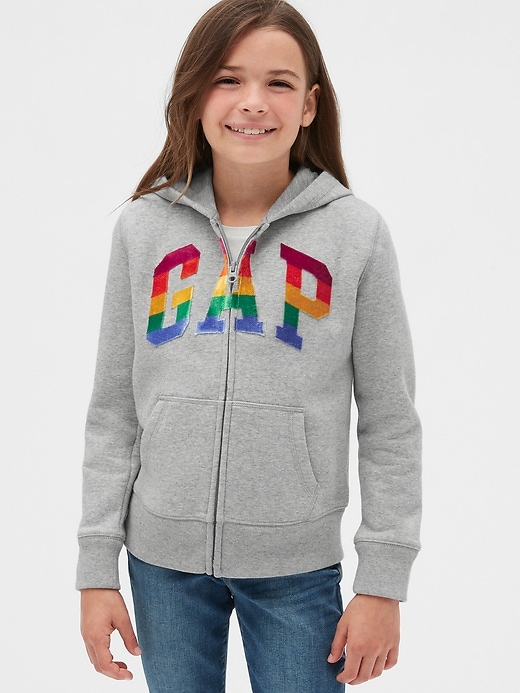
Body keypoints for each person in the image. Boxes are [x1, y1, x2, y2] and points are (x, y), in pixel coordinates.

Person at [77, 1, 422, 691]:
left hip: (297, 570)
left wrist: (383, 582)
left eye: (279, 83)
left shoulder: (355, 235)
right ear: (195, 93)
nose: (253, 102)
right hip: (160, 564)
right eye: (228, 79)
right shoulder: (143, 230)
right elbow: (113, 411)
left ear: (309, 104)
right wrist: (96, 567)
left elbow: (390, 423)